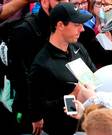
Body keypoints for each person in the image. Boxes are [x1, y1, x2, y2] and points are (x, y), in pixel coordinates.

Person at [29, 3, 95, 135]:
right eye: (77, 25)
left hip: (85, 125)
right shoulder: (42, 64)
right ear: (60, 25)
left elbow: (94, 77)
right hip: (59, 129)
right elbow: (39, 107)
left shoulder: (78, 48)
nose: (82, 29)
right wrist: (72, 96)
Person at [7, 0, 68, 134]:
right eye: (59, 0)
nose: (66, 3)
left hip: (61, 113)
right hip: (35, 118)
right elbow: (21, 80)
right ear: (45, 2)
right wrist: (36, 115)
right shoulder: (25, 31)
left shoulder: (65, 26)